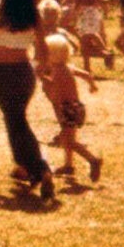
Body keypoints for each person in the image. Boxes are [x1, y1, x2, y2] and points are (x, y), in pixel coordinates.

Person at [0, 0, 55, 202]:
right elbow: (43, 48)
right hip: (24, 71)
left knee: (16, 122)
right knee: (15, 120)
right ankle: (26, 168)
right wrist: (43, 69)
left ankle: (41, 169)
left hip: (3, 72)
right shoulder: (33, 13)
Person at [40, 35, 102, 182]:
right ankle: (68, 165)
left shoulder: (57, 71)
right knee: (69, 138)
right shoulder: (68, 67)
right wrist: (92, 84)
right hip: (75, 107)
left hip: (68, 109)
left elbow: (53, 87)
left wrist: (42, 78)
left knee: (69, 142)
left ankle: (93, 160)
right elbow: (86, 74)